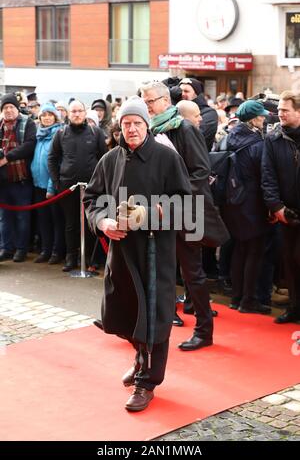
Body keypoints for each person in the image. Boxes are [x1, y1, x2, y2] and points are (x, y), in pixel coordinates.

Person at [84, 96, 191, 412]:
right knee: (124, 312)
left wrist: (147, 215)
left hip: (155, 251)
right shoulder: (110, 160)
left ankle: (147, 381)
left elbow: (187, 205)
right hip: (121, 251)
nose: (131, 129)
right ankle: (140, 356)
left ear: (147, 125)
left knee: (155, 315)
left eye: (137, 123)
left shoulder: (166, 158)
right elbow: (92, 199)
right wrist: (103, 222)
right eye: (126, 124)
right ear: (119, 127)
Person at [140, 81, 229, 350]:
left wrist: (169, 201)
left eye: (150, 102)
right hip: (157, 210)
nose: (147, 107)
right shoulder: (150, 130)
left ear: (166, 101)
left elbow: (201, 172)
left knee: (192, 273)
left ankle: (204, 331)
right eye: (144, 102)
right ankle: (153, 321)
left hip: (185, 211)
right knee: (158, 269)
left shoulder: (185, 128)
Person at [221, 100, 271, 314]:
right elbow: (265, 176)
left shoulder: (228, 137)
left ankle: (236, 297)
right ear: (252, 119)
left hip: (231, 201)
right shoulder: (258, 143)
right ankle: (249, 300)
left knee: (240, 248)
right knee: (255, 250)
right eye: (260, 116)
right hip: (252, 202)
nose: (264, 119)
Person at [48, 100, 107, 271]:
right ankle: (71, 258)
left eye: (80, 111)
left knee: (90, 224)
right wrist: (57, 182)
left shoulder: (96, 132)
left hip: (92, 187)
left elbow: (104, 158)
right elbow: (52, 158)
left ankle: (90, 258)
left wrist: (102, 183)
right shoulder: (61, 133)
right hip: (68, 187)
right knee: (71, 224)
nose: (77, 114)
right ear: (68, 113)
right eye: (73, 111)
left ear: (85, 112)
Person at [262, 90, 300, 324]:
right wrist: (276, 207)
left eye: (285, 110)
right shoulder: (273, 139)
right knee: (290, 262)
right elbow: (268, 175)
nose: (280, 114)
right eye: (278, 111)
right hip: (286, 212)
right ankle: (295, 308)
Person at [0, 93, 37, 262]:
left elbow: (29, 145)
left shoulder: (27, 123)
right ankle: (6, 248)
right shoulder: (0, 125)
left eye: (11, 107)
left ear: (17, 108)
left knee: (22, 217)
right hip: (3, 180)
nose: (8, 110)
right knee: (4, 216)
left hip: (22, 178)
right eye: (5, 107)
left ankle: (21, 249)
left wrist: (7, 158)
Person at [31, 102, 65, 264]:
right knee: (43, 219)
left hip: (52, 186)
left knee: (55, 220)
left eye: (50, 114)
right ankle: (46, 249)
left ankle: (56, 251)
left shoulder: (58, 134)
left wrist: (52, 186)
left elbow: (57, 162)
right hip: (38, 185)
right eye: (43, 115)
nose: (46, 118)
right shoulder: (39, 135)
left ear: (55, 117)